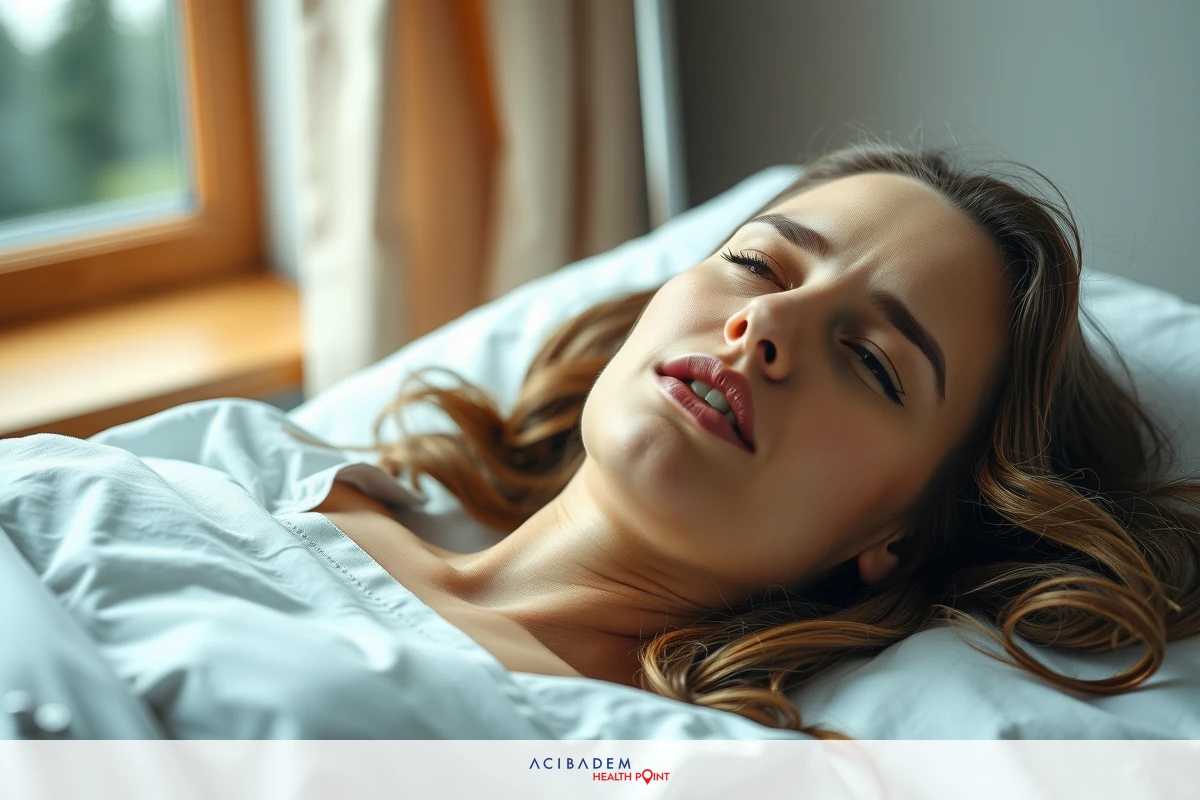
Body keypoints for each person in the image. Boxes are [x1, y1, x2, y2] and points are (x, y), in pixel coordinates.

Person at [307, 141, 1200, 739]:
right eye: (755, 264)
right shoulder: (256, 467)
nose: (766, 321)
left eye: (871, 362)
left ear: (900, 538)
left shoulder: (625, 762)